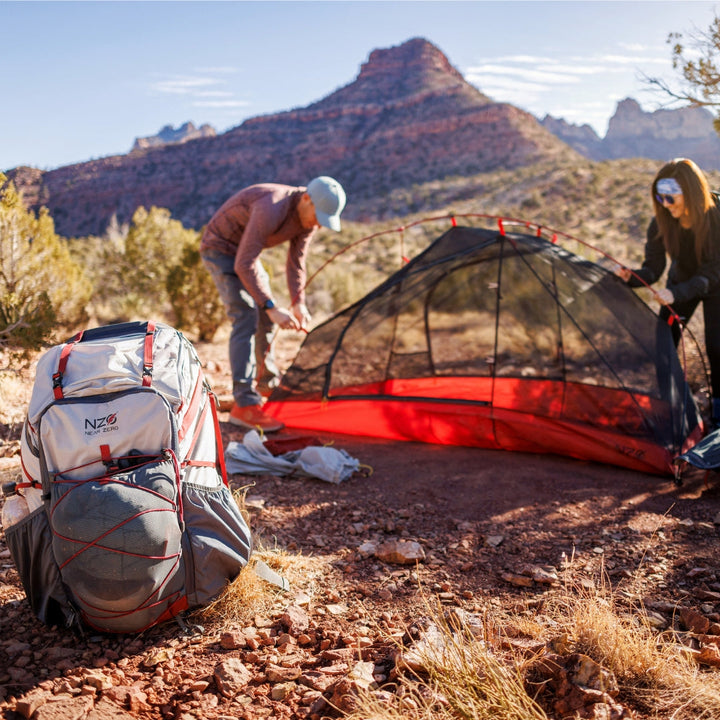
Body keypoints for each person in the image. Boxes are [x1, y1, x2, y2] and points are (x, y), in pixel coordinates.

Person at [200, 177, 346, 432]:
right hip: (220, 249)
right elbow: (242, 264)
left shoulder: (307, 222)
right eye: (318, 216)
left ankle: (267, 383)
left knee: (266, 317)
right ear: (306, 199)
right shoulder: (271, 207)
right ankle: (244, 404)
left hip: (246, 254)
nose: (318, 225)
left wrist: (298, 304)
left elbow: (296, 264)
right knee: (246, 315)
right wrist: (270, 305)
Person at [614, 158, 720, 425]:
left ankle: (718, 414)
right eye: (660, 198)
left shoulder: (717, 215)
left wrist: (678, 293)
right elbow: (653, 268)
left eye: (670, 198)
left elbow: (714, 271)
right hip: (681, 282)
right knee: (664, 342)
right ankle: (670, 408)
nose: (665, 204)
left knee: (717, 347)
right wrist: (631, 277)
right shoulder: (660, 221)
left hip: (716, 284)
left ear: (690, 193)